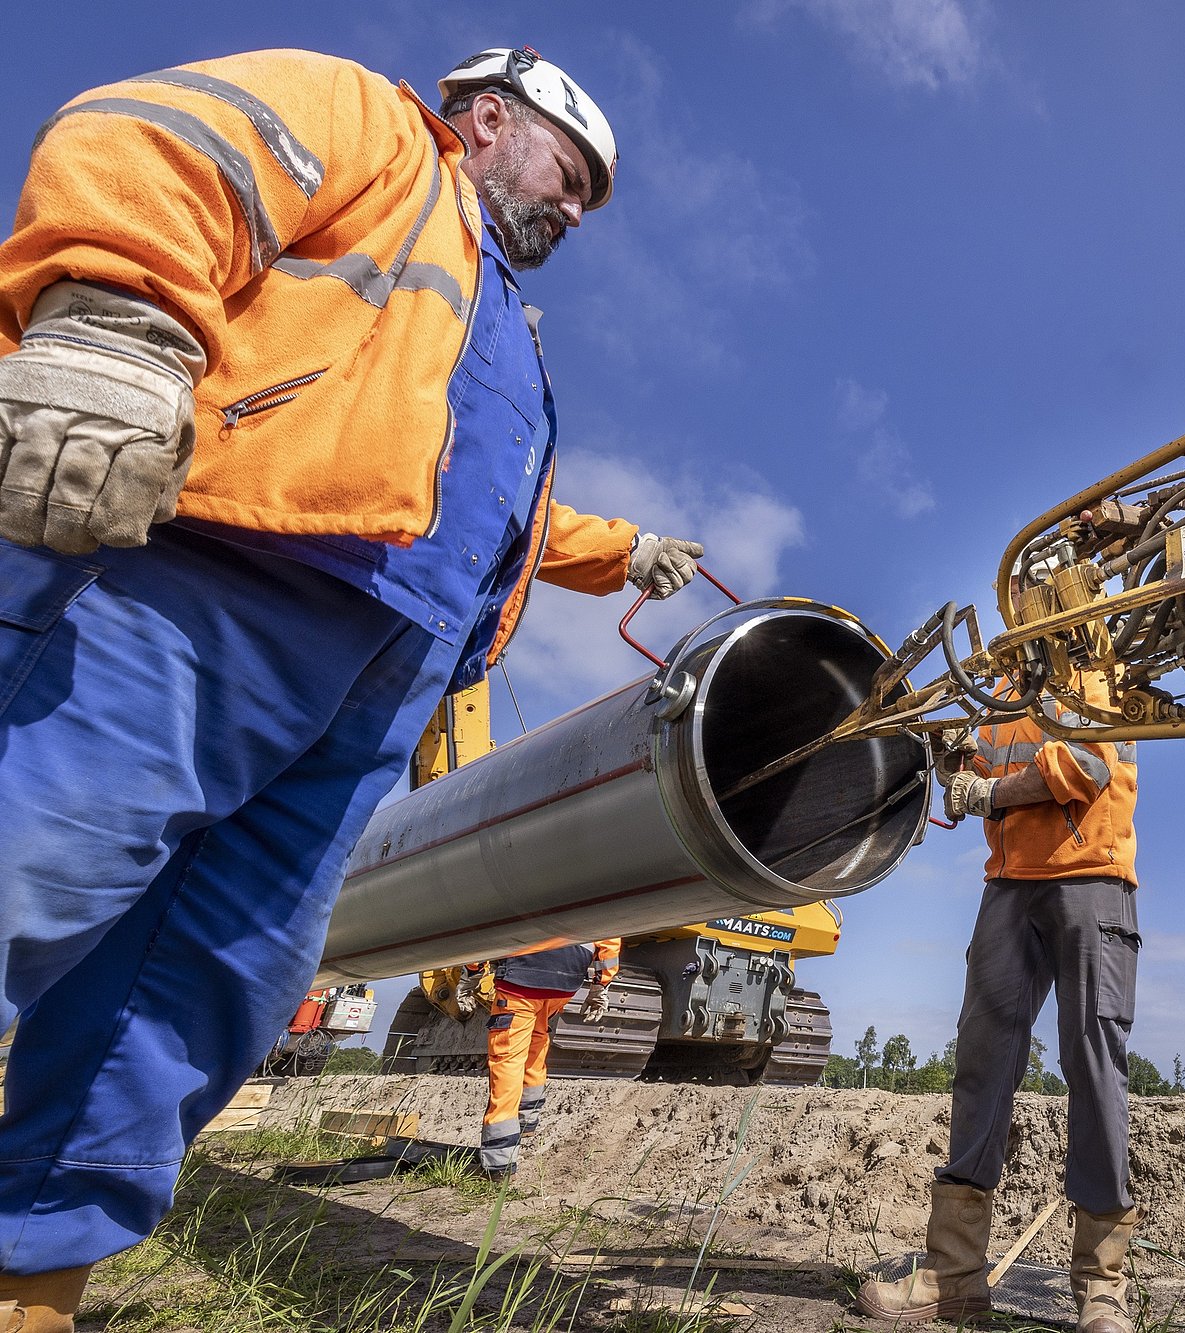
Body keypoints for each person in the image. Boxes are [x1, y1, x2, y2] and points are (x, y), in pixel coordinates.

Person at [0, 46, 705, 1327]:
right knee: (22, 874)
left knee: (196, 990)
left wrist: (623, 554)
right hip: (200, 587)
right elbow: (170, 135)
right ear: (488, 119)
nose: (579, 207)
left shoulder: (496, 324)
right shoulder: (379, 135)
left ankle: (29, 1289)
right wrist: (116, 322)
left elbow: (486, 513)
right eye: (573, 172)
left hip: (382, 680)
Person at [856, 679, 1143, 1333]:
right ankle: (954, 1276)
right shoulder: (1005, 692)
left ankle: (1103, 1288)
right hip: (1009, 885)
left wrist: (986, 793)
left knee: (1092, 1065)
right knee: (982, 1064)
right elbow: (972, 775)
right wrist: (945, 749)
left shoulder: (1096, 662)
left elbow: (1086, 763)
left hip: (1090, 876)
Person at [456, 940, 621, 1180]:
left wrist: (472, 973)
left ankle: (498, 1165)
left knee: (508, 1059)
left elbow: (492, 927)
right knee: (537, 1038)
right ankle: (526, 1124)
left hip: (524, 973)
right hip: (567, 978)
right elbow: (610, 938)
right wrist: (600, 985)